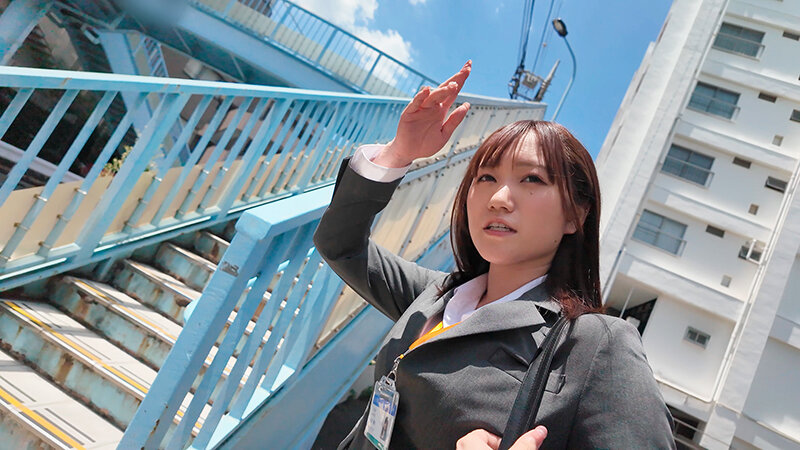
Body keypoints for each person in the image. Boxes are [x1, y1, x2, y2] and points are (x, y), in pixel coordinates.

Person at [313, 60, 676, 449]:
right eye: (486, 177)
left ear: (575, 215)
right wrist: (399, 153)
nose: (499, 199)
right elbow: (340, 243)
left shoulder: (596, 345)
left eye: (532, 179)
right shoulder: (438, 294)